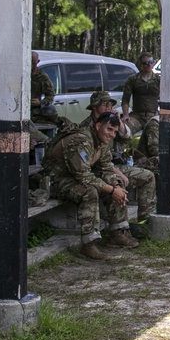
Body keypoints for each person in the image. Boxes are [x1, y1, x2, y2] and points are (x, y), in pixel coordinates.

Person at [41, 111, 140, 260]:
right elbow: (83, 176)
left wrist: (115, 185)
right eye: (109, 129)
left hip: (75, 178)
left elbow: (105, 168)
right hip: (56, 181)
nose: (112, 134)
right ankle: (88, 245)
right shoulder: (81, 140)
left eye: (114, 131)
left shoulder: (102, 140)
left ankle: (118, 233)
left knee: (116, 185)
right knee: (90, 191)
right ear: (98, 125)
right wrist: (112, 190)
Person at [83, 91, 157, 222]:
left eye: (110, 105)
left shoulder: (110, 123)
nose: (109, 108)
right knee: (118, 182)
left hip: (111, 165)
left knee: (148, 176)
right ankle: (119, 229)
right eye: (105, 104)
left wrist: (119, 121)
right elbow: (92, 164)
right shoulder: (86, 128)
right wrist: (116, 172)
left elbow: (127, 139)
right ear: (95, 107)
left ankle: (145, 220)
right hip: (95, 169)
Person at [121, 51, 160, 134]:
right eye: (146, 63)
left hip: (153, 116)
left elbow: (165, 98)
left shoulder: (158, 80)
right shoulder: (133, 79)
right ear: (141, 65)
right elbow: (125, 99)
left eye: (151, 62)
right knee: (123, 130)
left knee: (154, 134)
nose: (149, 65)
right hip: (137, 116)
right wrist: (126, 115)